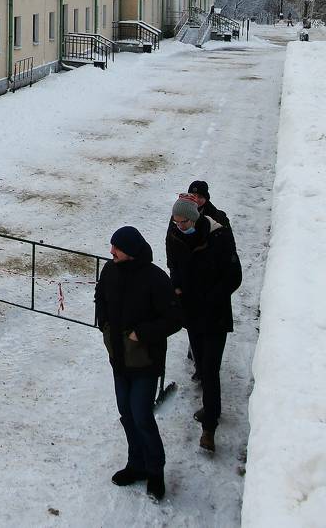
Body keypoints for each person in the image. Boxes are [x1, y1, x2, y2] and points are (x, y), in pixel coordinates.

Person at [96, 226, 182, 500]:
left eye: (116, 248)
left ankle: (155, 471)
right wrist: (104, 324)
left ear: (131, 251)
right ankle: (137, 464)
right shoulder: (110, 271)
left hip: (145, 361)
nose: (111, 251)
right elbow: (100, 296)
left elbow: (174, 318)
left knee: (142, 416)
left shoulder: (155, 278)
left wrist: (142, 333)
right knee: (127, 414)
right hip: (119, 359)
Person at [165, 197, 242, 453]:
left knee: (210, 369)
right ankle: (212, 409)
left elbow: (234, 276)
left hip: (215, 314)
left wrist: (211, 297)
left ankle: (209, 427)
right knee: (201, 364)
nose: (180, 226)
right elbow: (174, 265)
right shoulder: (175, 236)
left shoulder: (219, 236)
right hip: (192, 314)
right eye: (176, 222)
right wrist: (176, 286)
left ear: (195, 218)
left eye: (184, 222)